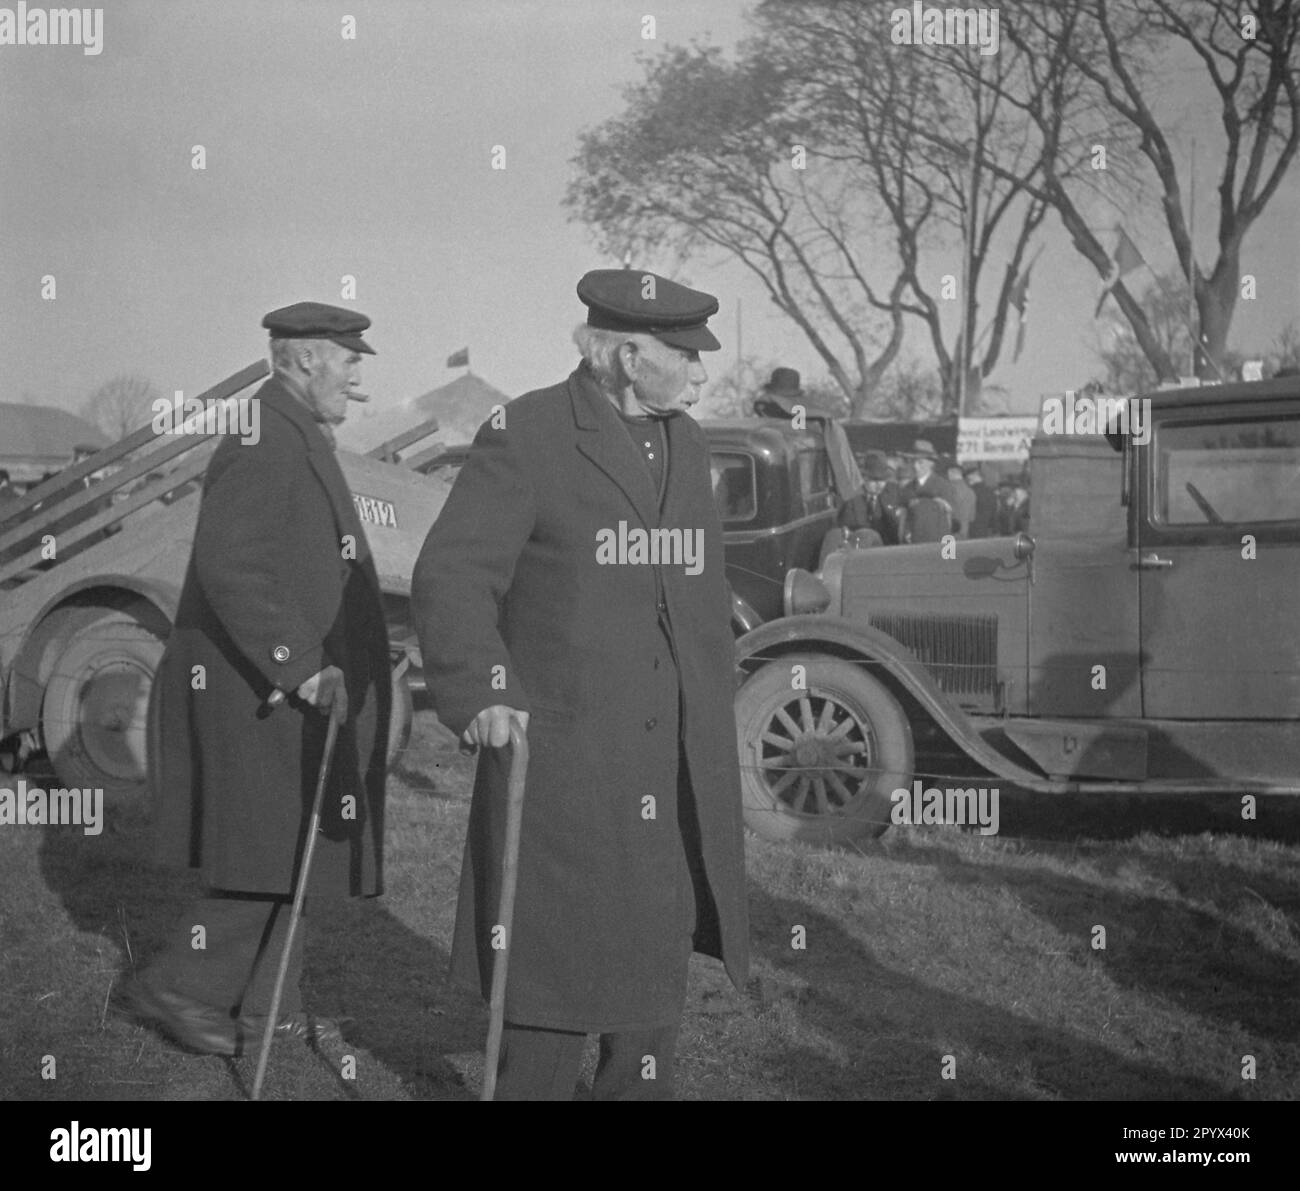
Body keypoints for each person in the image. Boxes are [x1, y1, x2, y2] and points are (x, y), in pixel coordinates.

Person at [412, 268, 749, 1101]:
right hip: (562, 761)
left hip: (669, 761)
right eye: (687, 355)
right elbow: (452, 577)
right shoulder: (526, 433)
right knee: (550, 983)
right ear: (630, 356)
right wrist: (484, 689)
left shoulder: (688, 442)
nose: (703, 374)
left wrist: (712, 697)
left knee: (650, 982)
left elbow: (698, 594)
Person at [118, 301, 391, 1057]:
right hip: (257, 692)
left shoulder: (290, 428)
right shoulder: (264, 436)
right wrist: (298, 663)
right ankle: (180, 986)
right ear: (305, 360)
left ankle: (269, 1008)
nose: (359, 375)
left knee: (289, 854)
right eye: (348, 358)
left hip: (281, 691)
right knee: (268, 856)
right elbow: (230, 563)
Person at [899, 439, 954, 543]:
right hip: (913, 547)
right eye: (913, 462)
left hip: (937, 545)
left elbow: (950, 520)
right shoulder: (907, 489)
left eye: (920, 462)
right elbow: (903, 519)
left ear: (931, 464)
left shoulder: (943, 486)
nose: (915, 466)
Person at [962, 462, 998, 538]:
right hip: (988, 532)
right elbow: (994, 514)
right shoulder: (991, 492)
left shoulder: (971, 492)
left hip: (972, 532)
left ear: (972, 477)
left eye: (967, 478)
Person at [946, 460, 975, 538]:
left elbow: (947, 510)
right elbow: (972, 516)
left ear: (950, 473)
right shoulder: (970, 491)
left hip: (951, 530)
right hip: (965, 530)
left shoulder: (948, 489)